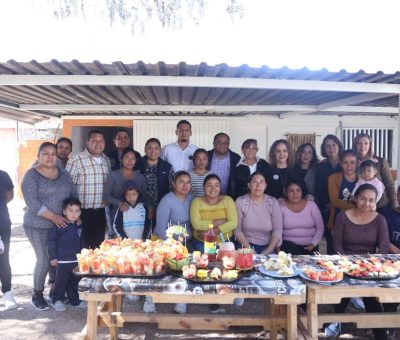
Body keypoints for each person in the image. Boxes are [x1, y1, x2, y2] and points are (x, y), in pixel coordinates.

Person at [326, 184, 390, 339]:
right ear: (355, 198)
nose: (366, 203)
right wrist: (347, 264)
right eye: (362, 198)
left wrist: (369, 264)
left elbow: (384, 247)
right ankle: (336, 321)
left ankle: (380, 332)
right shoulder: (343, 216)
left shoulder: (380, 220)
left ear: (375, 202)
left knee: (370, 294)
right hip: (344, 263)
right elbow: (337, 244)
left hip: (369, 265)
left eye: (370, 200)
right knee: (344, 290)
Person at [22, 142, 76, 311]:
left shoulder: (63, 173)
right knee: (44, 260)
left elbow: (73, 193)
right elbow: (32, 202)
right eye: (45, 153)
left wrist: (75, 214)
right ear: (38, 156)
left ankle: (56, 293)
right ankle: (37, 295)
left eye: (53, 153)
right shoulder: (31, 175)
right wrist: (54, 216)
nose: (50, 156)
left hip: (61, 225)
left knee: (58, 260)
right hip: (37, 225)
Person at [190, 173, 238, 313]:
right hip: (202, 241)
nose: (213, 188)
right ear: (204, 188)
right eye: (209, 185)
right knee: (207, 268)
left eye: (216, 185)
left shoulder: (228, 200)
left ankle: (231, 294)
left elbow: (233, 223)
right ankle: (213, 299)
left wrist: (212, 231)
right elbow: (197, 224)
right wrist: (220, 222)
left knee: (227, 267)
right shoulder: (196, 202)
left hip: (225, 242)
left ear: (220, 187)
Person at [148, 171, 193, 315]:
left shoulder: (192, 198)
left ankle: (180, 300)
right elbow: (161, 228)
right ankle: (150, 299)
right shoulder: (167, 200)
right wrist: (172, 248)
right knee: (159, 272)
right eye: (181, 181)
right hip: (163, 241)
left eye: (188, 182)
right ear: (173, 184)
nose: (185, 185)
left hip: (184, 242)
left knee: (184, 272)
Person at [66, 130, 111, 249]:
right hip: (81, 213)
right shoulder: (76, 160)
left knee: (98, 248)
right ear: (87, 142)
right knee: (81, 248)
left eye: (101, 140)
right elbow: (68, 188)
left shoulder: (107, 161)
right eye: (94, 141)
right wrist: (74, 214)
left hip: (101, 213)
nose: (98, 143)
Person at [47, 198, 86, 311]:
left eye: (77, 211)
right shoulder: (60, 224)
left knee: (74, 281)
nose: (74, 214)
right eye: (71, 211)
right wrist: (53, 257)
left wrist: (83, 254)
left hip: (75, 260)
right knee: (60, 282)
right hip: (62, 261)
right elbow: (51, 241)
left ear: (80, 213)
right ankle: (56, 299)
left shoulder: (79, 225)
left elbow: (81, 240)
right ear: (64, 212)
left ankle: (74, 300)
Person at [104, 147, 150, 236]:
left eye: (133, 158)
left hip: (137, 216)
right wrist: (120, 203)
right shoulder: (113, 175)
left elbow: (145, 196)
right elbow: (106, 196)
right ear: (121, 159)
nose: (130, 161)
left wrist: (150, 208)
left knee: (139, 241)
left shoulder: (140, 177)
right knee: (121, 241)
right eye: (127, 158)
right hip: (119, 214)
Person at [235, 172, 282, 254]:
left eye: (261, 182)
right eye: (254, 182)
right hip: (245, 245)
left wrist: (268, 251)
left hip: (268, 246)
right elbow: (237, 230)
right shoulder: (241, 201)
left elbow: (277, 230)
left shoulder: (272, 202)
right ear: (249, 185)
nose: (258, 185)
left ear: (265, 185)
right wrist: (250, 249)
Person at [315, 134, 343, 254]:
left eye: (333, 145)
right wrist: (327, 204)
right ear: (324, 149)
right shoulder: (321, 167)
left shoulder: (345, 164)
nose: (331, 148)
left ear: (338, 146)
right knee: (330, 238)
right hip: (327, 207)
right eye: (328, 146)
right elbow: (319, 188)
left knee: (342, 238)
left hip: (344, 206)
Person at [353, 132, 396, 209]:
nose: (363, 146)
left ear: (370, 145)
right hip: (360, 206)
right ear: (355, 145)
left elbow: (389, 184)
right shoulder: (352, 162)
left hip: (381, 205)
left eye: (366, 143)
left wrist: (394, 205)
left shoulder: (380, 161)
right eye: (359, 143)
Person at [279, 181, 324, 255]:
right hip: (288, 246)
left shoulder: (311, 204)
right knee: (288, 248)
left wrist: (313, 244)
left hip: (309, 246)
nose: (295, 194)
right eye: (291, 191)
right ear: (286, 193)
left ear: (302, 192)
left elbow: (320, 227)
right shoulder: (281, 206)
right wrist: (278, 246)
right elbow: (277, 229)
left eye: (298, 190)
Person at [141, 138, 173, 220]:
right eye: (149, 148)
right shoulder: (138, 165)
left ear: (160, 150)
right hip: (141, 205)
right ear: (145, 149)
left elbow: (171, 188)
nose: (153, 151)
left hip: (161, 206)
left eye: (156, 148)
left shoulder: (167, 167)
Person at [327, 149, 358, 230]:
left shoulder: (363, 180)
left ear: (357, 163)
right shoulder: (333, 178)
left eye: (352, 162)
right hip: (338, 220)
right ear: (340, 163)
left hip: (358, 221)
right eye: (345, 162)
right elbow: (334, 200)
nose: (349, 166)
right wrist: (356, 208)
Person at [0, 169, 17, 310]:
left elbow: (9, 195)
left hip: (2, 224)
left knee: (3, 259)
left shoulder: (2, 175)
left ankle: (7, 293)